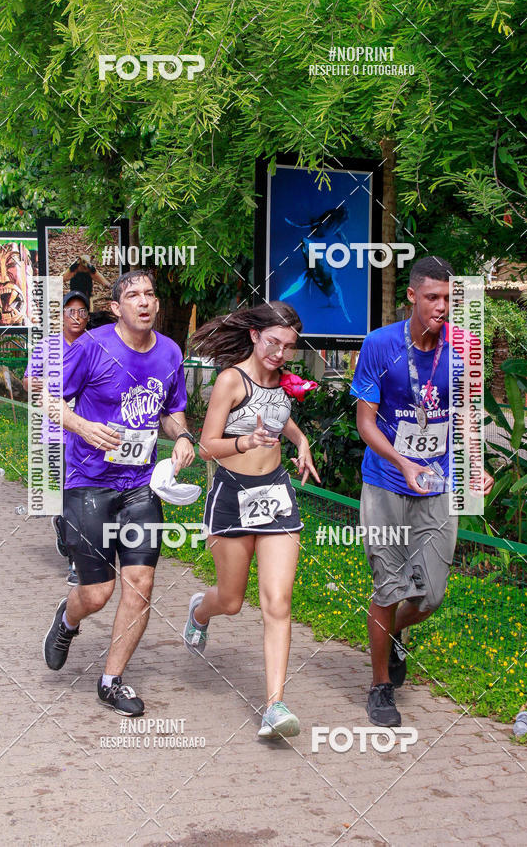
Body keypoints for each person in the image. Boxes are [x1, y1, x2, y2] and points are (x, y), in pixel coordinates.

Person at [42, 270, 195, 716]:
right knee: (97, 592)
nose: (144, 302)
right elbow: (50, 400)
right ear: (116, 307)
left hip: (140, 486)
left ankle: (111, 681)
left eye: (150, 295)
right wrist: (84, 425)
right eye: (133, 296)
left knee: (140, 584)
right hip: (88, 482)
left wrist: (182, 437)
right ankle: (67, 620)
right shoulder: (92, 346)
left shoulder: (169, 351)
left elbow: (172, 410)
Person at [351, 256, 494, 727]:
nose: (442, 307)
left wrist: (476, 465)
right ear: (412, 295)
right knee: (388, 586)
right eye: (433, 297)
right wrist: (402, 461)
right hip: (387, 481)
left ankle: (389, 633)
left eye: (450, 299)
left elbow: (467, 417)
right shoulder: (380, 344)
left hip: (439, 484)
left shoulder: (465, 347)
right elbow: (365, 422)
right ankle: (380, 686)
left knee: (430, 594)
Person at [183, 301, 320, 739]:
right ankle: (201, 612)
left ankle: (274, 706)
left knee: (278, 602)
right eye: (273, 343)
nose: (280, 354)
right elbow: (206, 446)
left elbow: (282, 418)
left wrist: (301, 443)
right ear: (254, 336)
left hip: (276, 494)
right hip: (233, 496)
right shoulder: (230, 381)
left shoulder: (283, 383)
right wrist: (244, 443)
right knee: (231, 600)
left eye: (288, 348)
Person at [24, 290, 90, 585]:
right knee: (66, 498)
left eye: (82, 312)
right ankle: (69, 541)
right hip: (55, 434)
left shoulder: (96, 344)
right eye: (70, 311)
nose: (76, 317)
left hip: (88, 435)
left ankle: (78, 560)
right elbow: (28, 380)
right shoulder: (47, 346)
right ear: (61, 315)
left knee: (82, 498)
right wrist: (37, 383)